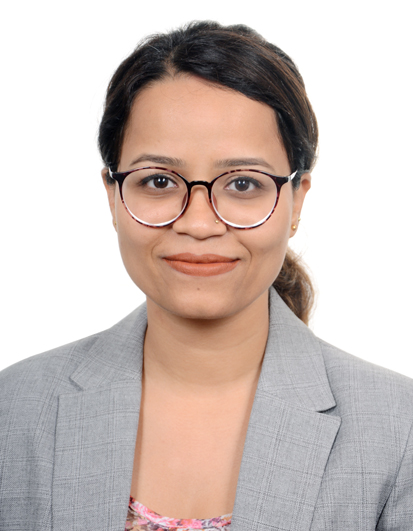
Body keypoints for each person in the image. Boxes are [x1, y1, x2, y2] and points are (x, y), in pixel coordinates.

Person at [1, 20, 412, 531]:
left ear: (296, 200)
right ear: (112, 196)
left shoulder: (400, 433)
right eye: (158, 180)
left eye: (243, 183)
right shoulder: (13, 409)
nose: (198, 223)